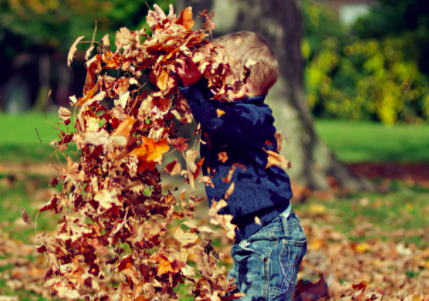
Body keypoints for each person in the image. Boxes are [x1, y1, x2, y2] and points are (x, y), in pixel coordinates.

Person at [151, 4, 307, 301]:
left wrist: (194, 86)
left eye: (216, 75)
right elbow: (209, 111)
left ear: (240, 85)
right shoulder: (234, 113)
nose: (209, 82)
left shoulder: (252, 118)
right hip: (251, 239)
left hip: (271, 239)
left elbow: (217, 120)